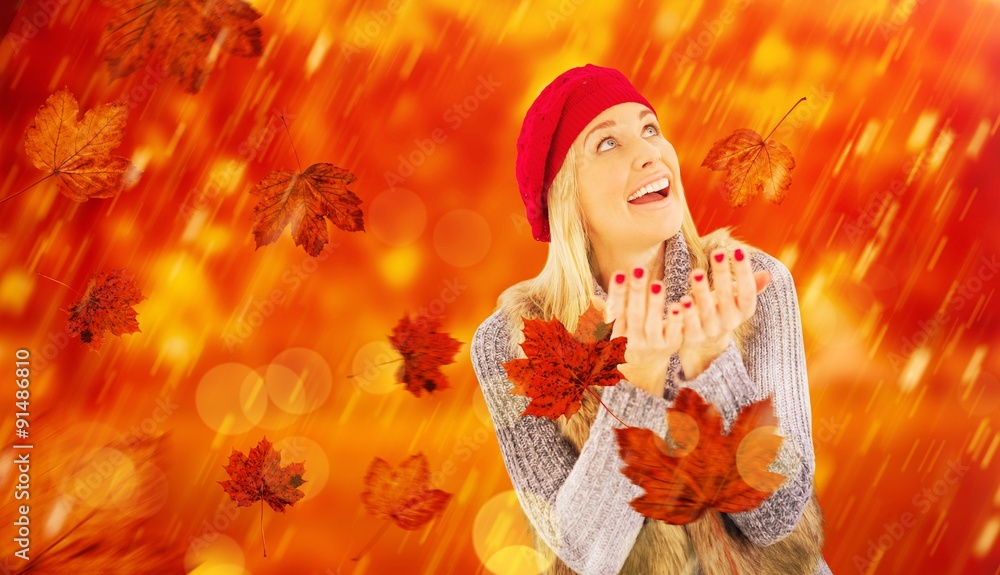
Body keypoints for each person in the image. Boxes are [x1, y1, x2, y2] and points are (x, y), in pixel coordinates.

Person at [470, 64, 833, 575]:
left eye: (649, 129)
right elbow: (584, 554)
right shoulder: (512, 342)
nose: (649, 152)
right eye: (607, 143)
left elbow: (779, 517)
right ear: (566, 197)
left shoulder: (750, 282)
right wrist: (635, 386)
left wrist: (714, 366)